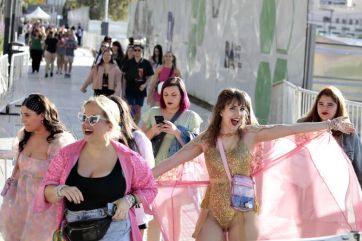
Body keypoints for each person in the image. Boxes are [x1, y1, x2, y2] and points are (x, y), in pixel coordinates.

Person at [152, 88, 355, 241]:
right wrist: (138, 179)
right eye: (233, 108)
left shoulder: (250, 134)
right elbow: (172, 161)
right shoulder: (206, 139)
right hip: (213, 211)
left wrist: (330, 124)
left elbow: (289, 128)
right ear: (221, 111)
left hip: (244, 214)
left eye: (242, 109)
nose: (239, 113)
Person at [33, 95, 157, 241]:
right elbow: (46, 189)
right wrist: (61, 190)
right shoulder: (66, 154)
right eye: (84, 117)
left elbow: (150, 189)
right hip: (75, 230)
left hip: (115, 229)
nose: (85, 124)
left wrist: (129, 200)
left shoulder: (130, 159)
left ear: (110, 125)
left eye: (93, 119)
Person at [0, 94, 75, 241]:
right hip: (20, 203)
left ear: (41, 116)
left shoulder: (59, 142)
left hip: (44, 207)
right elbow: (20, 164)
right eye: (21, 114)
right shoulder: (24, 135)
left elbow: (65, 177)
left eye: (27, 115)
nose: (22, 119)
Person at [141, 77, 202, 241]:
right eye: (166, 94)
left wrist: (176, 131)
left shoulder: (191, 117)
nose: (169, 98)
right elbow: (139, 140)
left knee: (174, 215)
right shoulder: (153, 112)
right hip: (155, 169)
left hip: (177, 172)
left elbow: (196, 146)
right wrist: (153, 131)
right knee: (154, 214)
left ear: (182, 96)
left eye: (174, 95)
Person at [108, 95, 155, 238]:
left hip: (135, 204)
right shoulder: (98, 140)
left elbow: (149, 174)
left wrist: (131, 199)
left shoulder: (138, 138)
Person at [298, 86, 362, 186]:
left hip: (338, 189)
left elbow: (359, 171)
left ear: (338, 107)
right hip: (309, 187)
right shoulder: (303, 125)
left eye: (330, 105)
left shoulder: (349, 134)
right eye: (321, 104)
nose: (324, 108)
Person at [122, 44, 154, 124]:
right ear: (133, 51)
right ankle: (128, 125)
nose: (137, 52)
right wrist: (123, 91)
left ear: (142, 51)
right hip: (130, 89)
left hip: (140, 90)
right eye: (135, 50)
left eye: (139, 50)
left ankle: (135, 126)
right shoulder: (128, 63)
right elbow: (124, 78)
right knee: (129, 108)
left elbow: (150, 76)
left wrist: (145, 85)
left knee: (138, 109)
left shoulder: (146, 63)